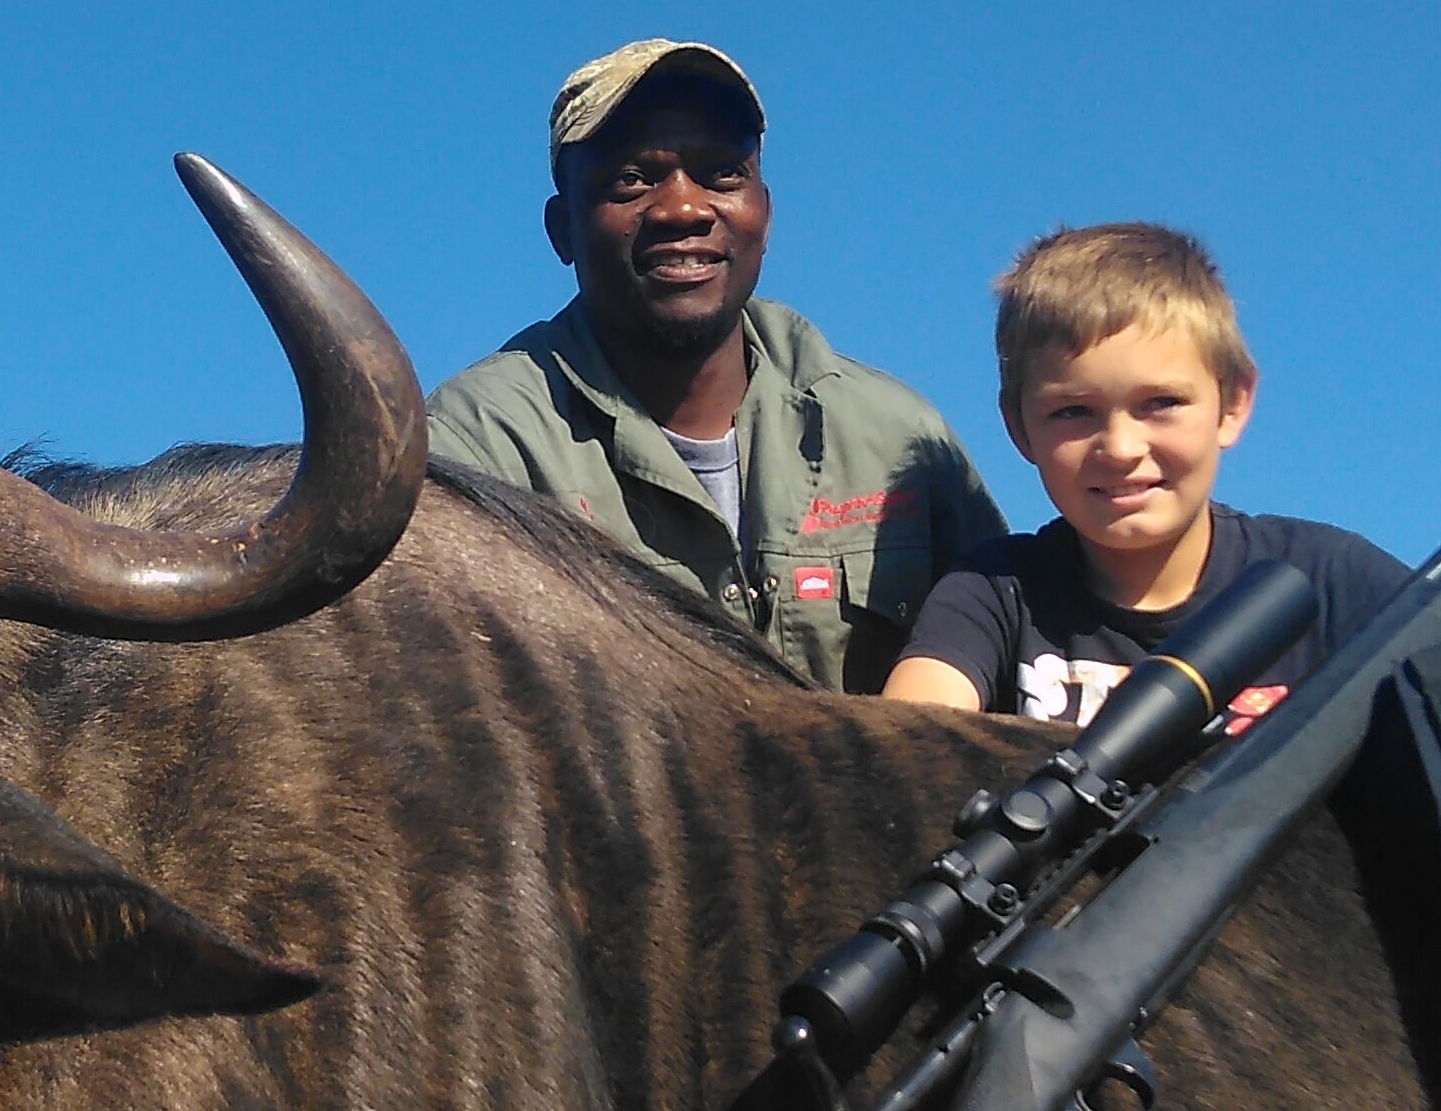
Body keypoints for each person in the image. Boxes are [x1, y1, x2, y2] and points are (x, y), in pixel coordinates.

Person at [428, 40, 1008, 694]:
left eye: (722, 175)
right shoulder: (476, 447)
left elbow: (1017, 669)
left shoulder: (899, 434)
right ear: (562, 229)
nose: (682, 208)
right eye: (631, 180)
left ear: (766, 210)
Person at [887, 221, 1412, 729]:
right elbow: (904, 748)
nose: (1119, 449)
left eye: (1161, 403)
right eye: (1072, 412)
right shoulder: (994, 593)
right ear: (1020, 428)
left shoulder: (1331, 581)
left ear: (1232, 404)